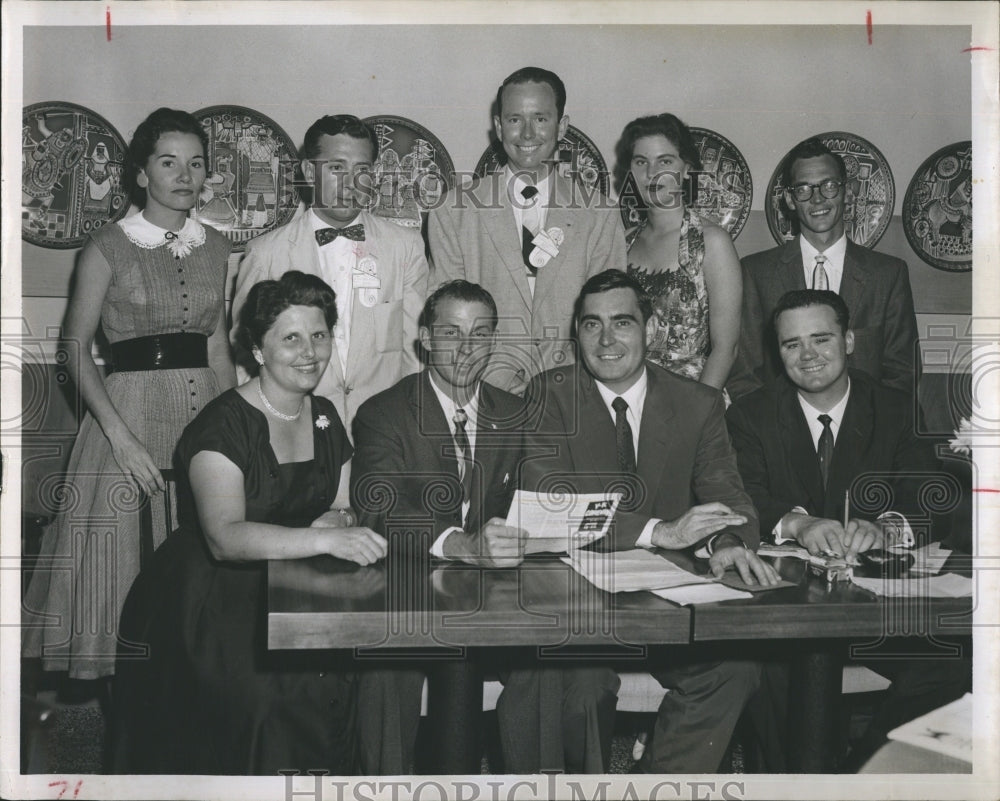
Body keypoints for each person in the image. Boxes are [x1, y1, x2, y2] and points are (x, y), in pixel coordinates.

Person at [111, 271, 388, 774]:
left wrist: (338, 519)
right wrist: (321, 536)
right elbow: (225, 538)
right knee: (270, 707)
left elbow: (345, 504)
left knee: (340, 692)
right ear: (258, 350)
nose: (310, 352)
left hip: (297, 584)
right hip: (212, 598)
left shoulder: (326, 414)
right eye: (291, 338)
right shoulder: (221, 424)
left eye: (320, 335)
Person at [351, 280, 619, 774]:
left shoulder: (517, 414)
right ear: (426, 340)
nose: (467, 347)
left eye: (481, 334)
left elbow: (546, 495)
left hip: (500, 603)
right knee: (384, 672)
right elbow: (377, 506)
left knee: (548, 660)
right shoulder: (384, 413)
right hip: (411, 593)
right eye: (451, 333)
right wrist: (461, 544)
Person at [523, 269, 780, 772]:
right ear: (576, 333)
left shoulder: (697, 402)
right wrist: (658, 531)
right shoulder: (548, 396)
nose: (606, 339)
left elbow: (728, 492)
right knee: (580, 688)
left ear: (652, 329)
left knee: (735, 670)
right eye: (591, 325)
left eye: (622, 323)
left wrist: (728, 540)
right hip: (580, 597)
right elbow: (549, 500)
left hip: (668, 600)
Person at [22, 107, 235, 682]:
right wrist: (120, 438)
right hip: (128, 419)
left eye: (195, 163)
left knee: (197, 569)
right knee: (123, 569)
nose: (184, 174)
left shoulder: (217, 247)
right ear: (141, 173)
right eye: (169, 162)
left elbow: (218, 348)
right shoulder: (108, 246)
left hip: (205, 413)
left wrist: (234, 434)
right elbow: (73, 348)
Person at [725, 289, 969, 771]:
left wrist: (887, 526)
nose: (808, 355)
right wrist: (797, 521)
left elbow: (929, 493)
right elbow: (740, 492)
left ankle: (859, 777)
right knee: (767, 680)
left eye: (821, 339)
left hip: (874, 611)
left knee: (951, 665)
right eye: (792, 344)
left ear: (849, 340)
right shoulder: (749, 414)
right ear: (778, 352)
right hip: (784, 610)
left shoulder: (895, 408)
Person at [428, 67, 627, 394]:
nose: (527, 133)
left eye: (541, 118)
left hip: (572, 393)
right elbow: (447, 320)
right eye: (515, 119)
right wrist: (498, 382)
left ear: (562, 126)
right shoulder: (453, 211)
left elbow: (608, 317)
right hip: (482, 389)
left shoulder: (600, 214)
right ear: (498, 127)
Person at [230, 114, 428, 429]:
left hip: (384, 430)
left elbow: (416, 348)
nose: (351, 183)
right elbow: (245, 355)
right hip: (295, 429)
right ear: (309, 172)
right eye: (336, 168)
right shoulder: (265, 253)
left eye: (362, 170)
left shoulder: (405, 247)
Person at [731, 138, 920, 400]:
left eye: (829, 186)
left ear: (847, 191)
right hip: (781, 430)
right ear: (789, 199)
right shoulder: (756, 272)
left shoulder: (888, 274)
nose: (818, 199)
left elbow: (903, 374)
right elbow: (745, 374)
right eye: (804, 189)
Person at [615, 113, 742, 390]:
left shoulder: (712, 242)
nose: (651, 173)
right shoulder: (622, 243)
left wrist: (695, 416)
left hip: (689, 402)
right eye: (640, 162)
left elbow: (726, 349)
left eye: (665, 161)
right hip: (625, 395)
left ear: (686, 169)